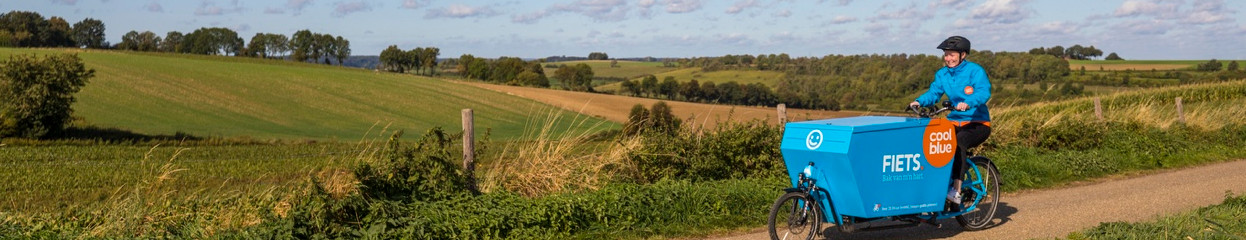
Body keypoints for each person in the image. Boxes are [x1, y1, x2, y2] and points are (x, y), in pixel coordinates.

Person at [909, 36, 992, 205]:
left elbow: (983, 92)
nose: (948, 58)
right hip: (953, 121)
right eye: (946, 55)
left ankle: (956, 191)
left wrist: (968, 103)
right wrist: (919, 101)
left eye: (952, 55)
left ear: (963, 55)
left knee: (959, 142)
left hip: (977, 123)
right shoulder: (942, 74)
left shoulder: (975, 71)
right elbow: (934, 93)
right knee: (932, 142)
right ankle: (935, 185)